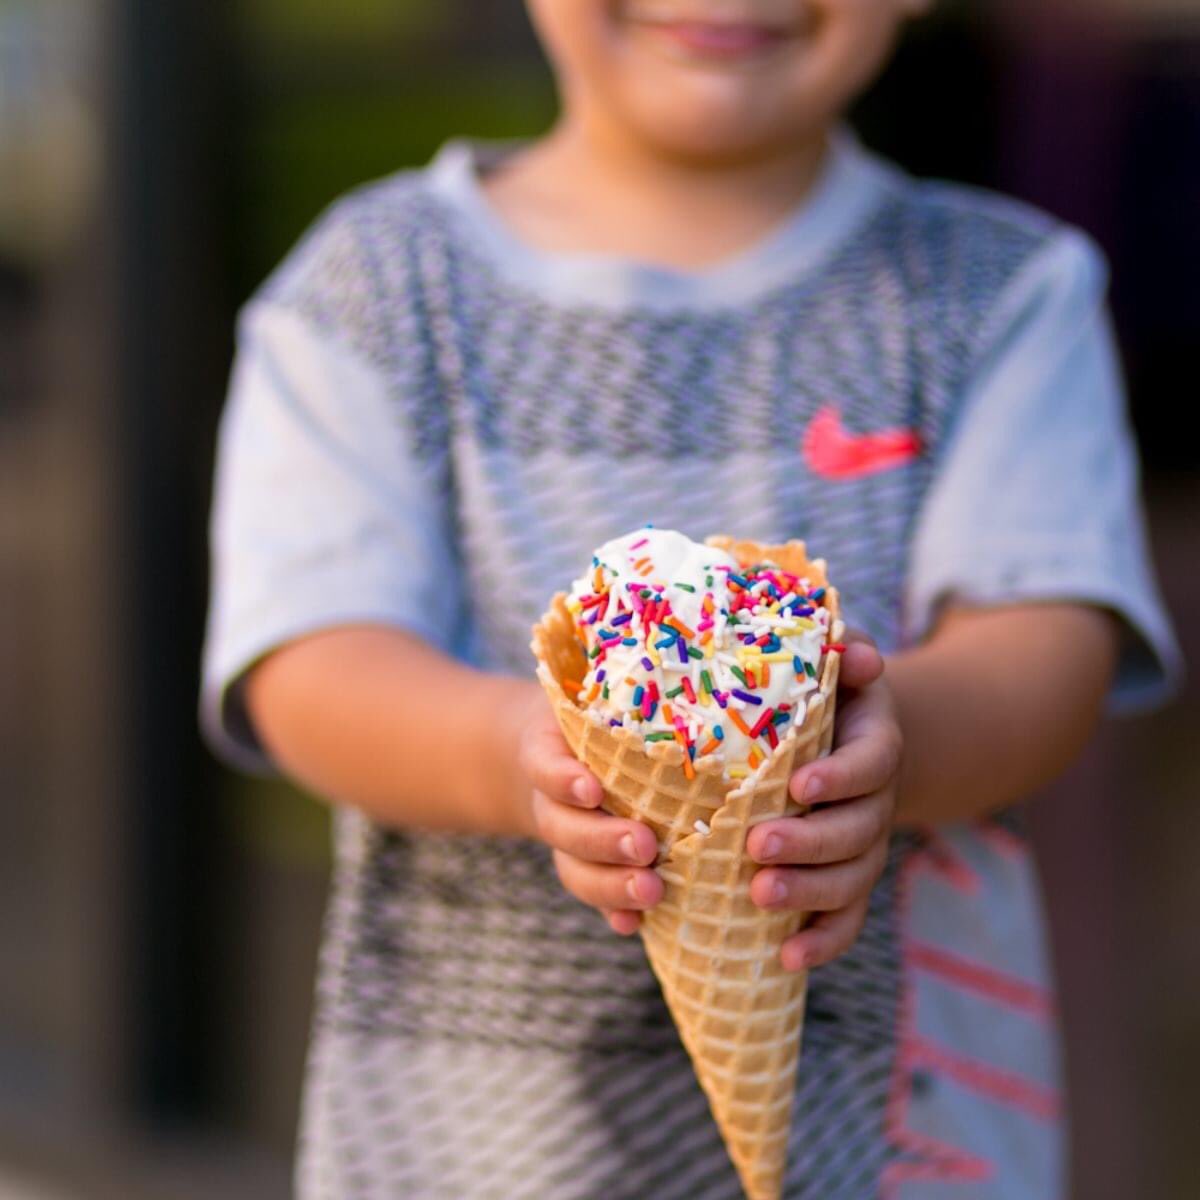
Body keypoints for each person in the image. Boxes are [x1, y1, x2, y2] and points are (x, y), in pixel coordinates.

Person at [200, 2, 1182, 1196]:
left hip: (903, 1142)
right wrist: (522, 754)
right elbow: (310, 664)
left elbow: (1048, 648)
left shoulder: (1004, 291)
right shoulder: (373, 292)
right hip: (479, 1141)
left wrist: (888, 747)